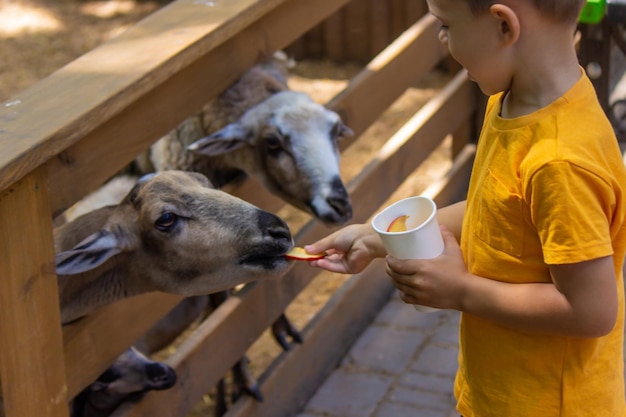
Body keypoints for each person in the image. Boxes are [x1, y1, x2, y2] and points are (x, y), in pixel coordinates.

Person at [304, 0, 626, 416]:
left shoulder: (559, 162)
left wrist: (461, 291)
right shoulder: (515, 102)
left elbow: (590, 312)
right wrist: (375, 237)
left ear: (503, 25)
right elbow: (493, 211)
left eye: (445, 26)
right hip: (502, 392)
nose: (443, 41)